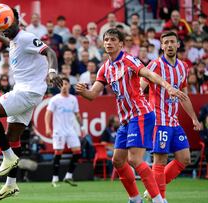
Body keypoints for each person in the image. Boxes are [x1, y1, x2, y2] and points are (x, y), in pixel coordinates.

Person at [75, 28, 187, 203]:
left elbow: (149, 74)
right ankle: (135, 199)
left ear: (121, 43)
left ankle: (159, 200)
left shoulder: (128, 60)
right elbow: (93, 95)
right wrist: (83, 92)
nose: (109, 43)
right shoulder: (105, 68)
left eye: (113, 39)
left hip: (141, 113)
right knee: (118, 161)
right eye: (106, 40)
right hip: (126, 120)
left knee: (134, 159)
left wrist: (168, 86)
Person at [0, 7, 62, 200]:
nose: (5, 31)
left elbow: (49, 51)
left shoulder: (26, 37)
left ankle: (8, 156)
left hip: (27, 92)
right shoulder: (14, 39)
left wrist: (52, 72)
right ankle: (11, 185)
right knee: (12, 137)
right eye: (3, 29)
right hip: (26, 92)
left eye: (6, 27)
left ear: (16, 20)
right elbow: (7, 40)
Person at [140, 31, 202, 202]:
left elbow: (184, 95)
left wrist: (194, 119)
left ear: (177, 45)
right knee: (160, 160)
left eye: (171, 42)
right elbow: (139, 89)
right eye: (165, 42)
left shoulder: (183, 67)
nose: (168, 45)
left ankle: (152, 190)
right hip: (159, 121)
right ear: (161, 46)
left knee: (185, 158)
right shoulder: (154, 65)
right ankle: (161, 198)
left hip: (174, 122)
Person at [45, 77, 83, 187]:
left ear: (69, 86)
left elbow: (77, 114)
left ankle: (68, 176)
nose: (64, 86)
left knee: (77, 152)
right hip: (59, 130)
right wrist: (48, 127)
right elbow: (48, 113)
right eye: (62, 84)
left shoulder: (73, 99)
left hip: (70, 130)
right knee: (58, 153)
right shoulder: (55, 99)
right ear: (59, 86)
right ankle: (55, 178)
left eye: (66, 84)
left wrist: (81, 125)